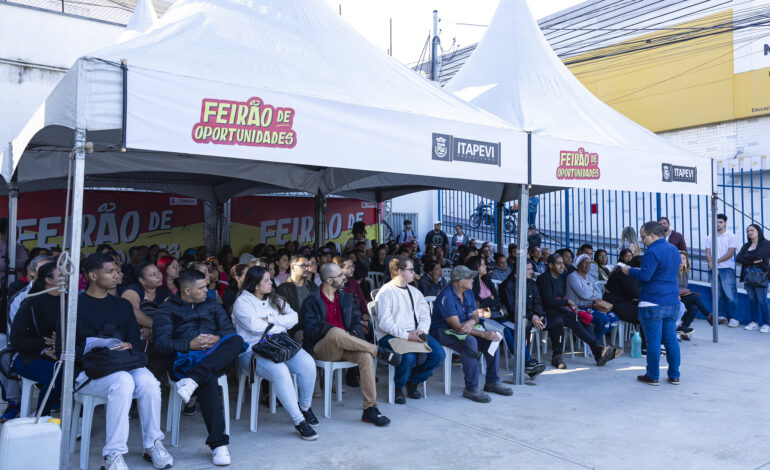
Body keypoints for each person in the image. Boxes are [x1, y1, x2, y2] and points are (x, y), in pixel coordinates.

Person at [65, 253, 172, 470]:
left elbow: (133, 337)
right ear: (93, 275)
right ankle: (113, 454)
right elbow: (63, 349)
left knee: (149, 382)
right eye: (110, 271)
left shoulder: (121, 305)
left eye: (117, 270)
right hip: (89, 372)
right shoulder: (74, 305)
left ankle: (153, 444)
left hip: (121, 363)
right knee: (123, 382)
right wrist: (93, 347)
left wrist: (129, 345)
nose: (117, 275)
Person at [153, 269, 244, 466]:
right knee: (208, 377)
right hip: (184, 359)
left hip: (215, 355)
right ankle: (219, 444)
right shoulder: (167, 310)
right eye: (202, 287)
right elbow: (161, 343)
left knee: (236, 340)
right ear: (187, 290)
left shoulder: (212, 304)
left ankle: (194, 378)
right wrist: (189, 344)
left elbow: (228, 330)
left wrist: (217, 337)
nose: (207, 290)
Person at [300, 262, 400, 426]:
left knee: (366, 356)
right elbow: (310, 330)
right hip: (322, 348)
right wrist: (335, 332)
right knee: (335, 332)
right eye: (340, 275)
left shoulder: (346, 297)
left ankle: (370, 409)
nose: (344, 277)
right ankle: (379, 350)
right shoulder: (312, 300)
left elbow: (355, 322)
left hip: (345, 345)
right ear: (329, 281)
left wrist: (351, 335)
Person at [232, 266, 319, 441]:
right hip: (253, 352)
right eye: (266, 280)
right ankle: (299, 421)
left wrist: (271, 320)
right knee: (280, 371)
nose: (271, 282)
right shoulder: (242, 302)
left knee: (308, 363)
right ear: (256, 285)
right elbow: (255, 328)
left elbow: (294, 318)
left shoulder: (274, 298)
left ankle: (305, 407)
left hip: (280, 346)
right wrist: (281, 325)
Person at [431, 266, 512, 403]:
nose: (473, 280)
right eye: (469, 277)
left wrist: (470, 322)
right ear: (460, 282)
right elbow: (456, 327)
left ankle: (492, 381)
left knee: (493, 338)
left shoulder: (467, 292)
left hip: (464, 328)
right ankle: (471, 388)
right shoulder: (446, 297)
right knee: (470, 342)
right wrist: (481, 334)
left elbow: (475, 315)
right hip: (443, 332)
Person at [374, 256, 445, 404]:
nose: (414, 273)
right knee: (408, 357)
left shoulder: (414, 291)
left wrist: (421, 330)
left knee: (439, 354)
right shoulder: (385, 292)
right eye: (411, 270)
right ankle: (398, 386)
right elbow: (385, 324)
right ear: (399, 271)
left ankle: (412, 380)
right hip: (390, 335)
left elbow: (425, 315)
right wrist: (407, 336)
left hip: (414, 332)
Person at [621, 221, 681, 386]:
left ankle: (653, 375)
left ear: (653, 235)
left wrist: (629, 270)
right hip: (672, 301)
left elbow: (646, 276)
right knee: (671, 339)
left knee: (654, 341)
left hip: (652, 301)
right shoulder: (674, 250)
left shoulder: (652, 252)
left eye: (643, 237)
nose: (642, 241)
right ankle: (674, 375)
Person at [537, 253, 619, 369]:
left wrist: (570, 306)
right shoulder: (544, 279)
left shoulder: (560, 278)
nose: (562, 266)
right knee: (564, 321)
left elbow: (562, 297)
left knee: (583, 318)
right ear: (550, 265)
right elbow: (549, 301)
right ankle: (559, 356)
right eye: (558, 263)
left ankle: (598, 354)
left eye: (562, 263)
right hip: (547, 312)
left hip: (560, 309)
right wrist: (568, 302)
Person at [11, 262, 62, 416]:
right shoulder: (30, 303)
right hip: (29, 357)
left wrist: (61, 341)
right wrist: (46, 342)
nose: (67, 278)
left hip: (61, 354)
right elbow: (17, 341)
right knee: (58, 371)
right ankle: (41, 416)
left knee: (75, 369)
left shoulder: (70, 301)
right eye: (62, 275)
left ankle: (76, 416)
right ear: (48, 280)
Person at [122, 261, 172, 380]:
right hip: (134, 338)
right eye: (153, 275)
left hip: (156, 340)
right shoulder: (133, 290)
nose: (159, 276)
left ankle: (149, 383)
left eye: (159, 272)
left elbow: (170, 316)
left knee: (166, 353)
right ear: (142, 280)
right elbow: (131, 311)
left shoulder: (164, 293)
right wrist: (153, 325)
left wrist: (151, 326)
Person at [498, 262, 546, 378]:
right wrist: (531, 316)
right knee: (525, 324)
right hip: (512, 317)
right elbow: (512, 309)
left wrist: (539, 315)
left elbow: (538, 301)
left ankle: (527, 363)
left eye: (532, 269)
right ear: (519, 270)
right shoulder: (508, 285)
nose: (532, 271)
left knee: (551, 321)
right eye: (529, 269)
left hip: (530, 316)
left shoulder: (531, 283)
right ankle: (526, 362)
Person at [567, 254, 618, 342]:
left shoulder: (589, 277)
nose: (588, 265)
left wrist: (590, 293)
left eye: (589, 263)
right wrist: (592, 293)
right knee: (603, 319)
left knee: (614, 319)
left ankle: (591, 340)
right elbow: (583, 294)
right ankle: (595, 344)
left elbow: (599, 294)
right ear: (578, 264)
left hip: (591, 306)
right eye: (584, 263)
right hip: (578, 308)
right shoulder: (572, 276)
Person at [704, 213, 739, 327]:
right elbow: (708, 252)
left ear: (725, 223)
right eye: (716, 222)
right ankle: (722, 316)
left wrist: (715, 262)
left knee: (730, 294)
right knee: (716, 295)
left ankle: (734, 318)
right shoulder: (710, 237)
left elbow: (730, 253)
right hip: (713, 269)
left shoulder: (731, 236)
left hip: (726, 269)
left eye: (720, 222)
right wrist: (710, 262)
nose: (718, 224)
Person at [736, 224, 770, 333]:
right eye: (748, 231)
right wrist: (752, 261)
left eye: (752, 230)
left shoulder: (765, 243)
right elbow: (738, 258)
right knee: (752, 300)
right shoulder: (746, 245)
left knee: (762, 300)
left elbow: (759, 255)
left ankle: (766, 323)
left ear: (758, 231)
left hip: (760, 275)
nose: (749, 232)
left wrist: (747, 258)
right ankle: (754, 322)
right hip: (747, 275)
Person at [677, 251, 710, 337]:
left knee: (694, 308)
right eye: (679, 258)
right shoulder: (673, 271)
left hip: (683, 296)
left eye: (683, 259)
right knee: (694, 297)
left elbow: (683, 287)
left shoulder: (685, 272)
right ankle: (709, 316)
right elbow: (672, 287)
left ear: (686, 260)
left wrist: (685, 291)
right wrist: (684, 292)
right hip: (675, 297)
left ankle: (683, 328)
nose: (681, 261)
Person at [466, 256, 503, 320]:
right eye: (483, 265)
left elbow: (496, 298)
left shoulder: (486, 279)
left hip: (491, 311)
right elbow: (477, 305)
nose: (486, 266)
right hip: (478, 315)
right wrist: (490, 299)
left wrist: (486, 301)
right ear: (476, 267)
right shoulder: (470, 283)